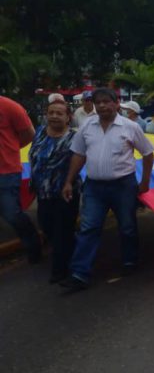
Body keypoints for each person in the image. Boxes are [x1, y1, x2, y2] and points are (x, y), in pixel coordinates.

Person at [59, 88, 154, 290]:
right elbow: (78, 154)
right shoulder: (86, 126)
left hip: (123, 186)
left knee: (127, 227)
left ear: (116, 103)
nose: (102, 105)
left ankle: (129, 261)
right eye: (98, 102)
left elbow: (148, 153)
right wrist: (69, 181)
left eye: (106, 101)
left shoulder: (130, 127)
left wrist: (145, 181)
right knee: (89, 227)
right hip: (94, 187)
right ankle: (79, 273)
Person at [29, 100, 82, 283]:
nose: (54, 116)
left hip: (66, 191)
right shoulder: (39, 133)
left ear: (68, 117)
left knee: (62, 231)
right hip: (43, 192)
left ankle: (60, 270)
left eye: (59, 113)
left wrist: (68, 181)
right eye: (51, 112)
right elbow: (33, 158)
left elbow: (81, 160)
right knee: (47, 227)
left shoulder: (75, 138)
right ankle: (75, 249)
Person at [0, 95, 41, 263]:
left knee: (12, 214)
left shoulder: (9, 106)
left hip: (6, 171)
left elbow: (29, 134)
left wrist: (10, 149)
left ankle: (33, 245)